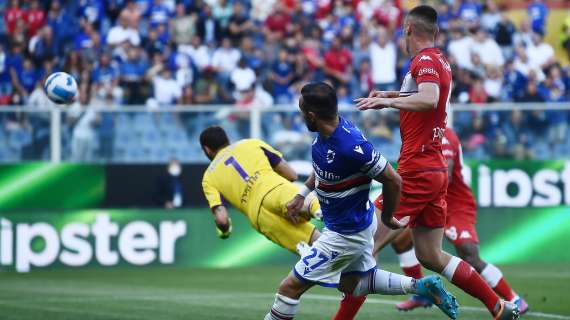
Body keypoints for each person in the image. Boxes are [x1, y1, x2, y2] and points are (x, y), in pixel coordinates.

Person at [355, 5, 519, 319]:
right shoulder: (440, 59)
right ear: (436, 32)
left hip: (416, 169)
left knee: (364, 247)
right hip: (432, 170)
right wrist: (388, 93)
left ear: (407, 30)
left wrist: (387, 101)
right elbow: (427, 96)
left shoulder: (425, 60)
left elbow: (429, 98)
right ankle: (499, 307)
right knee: (431, 255)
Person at [264, 82, 458, 320]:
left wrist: (387, 217)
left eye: (303, 112)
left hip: (344, 235)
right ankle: (420, 286)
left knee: (289, 288)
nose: (302, 116)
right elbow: (321, 168)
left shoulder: (351, 146)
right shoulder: (328, 133)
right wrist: (301, 195)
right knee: (353, 284)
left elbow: (393, 179)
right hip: (352, 226)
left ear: (312, 116)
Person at [389, 127, 529, 314]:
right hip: (429, 199)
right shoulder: (419, 133)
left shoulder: (444, 134)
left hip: (454, 204)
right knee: (400, 241)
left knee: (469, 254)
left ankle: (514, 299)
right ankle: (421, 295)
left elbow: (444, 175)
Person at [199, 126, 320, 253]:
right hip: (274, 188)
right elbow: (291, 175)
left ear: (206, 149)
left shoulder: (208, 177)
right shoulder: (251, 143)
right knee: (309, 204)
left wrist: (224, 230)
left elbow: (222, 219)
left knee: (317, 248)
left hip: (260, 216)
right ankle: (319, 210)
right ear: (227, 138)